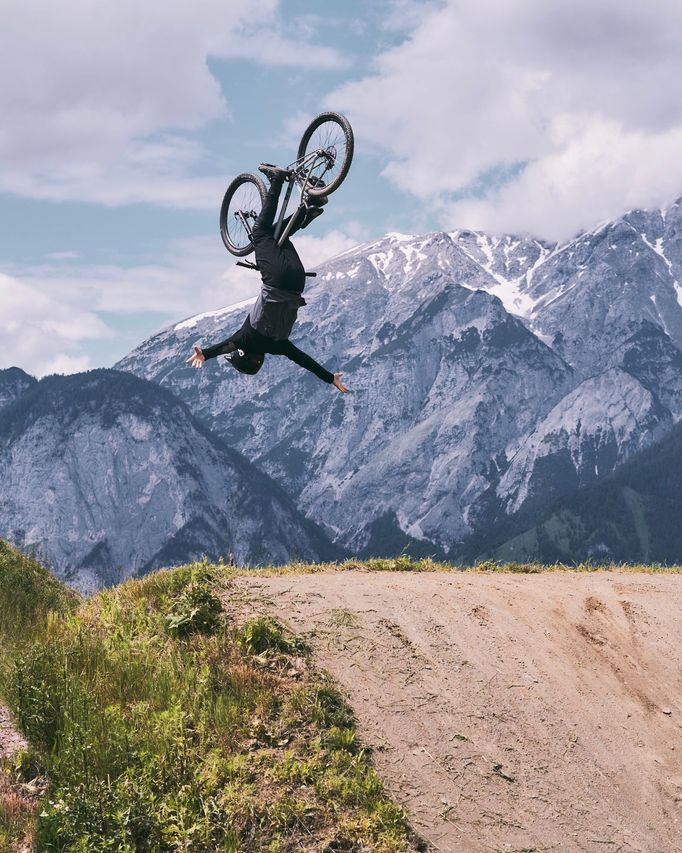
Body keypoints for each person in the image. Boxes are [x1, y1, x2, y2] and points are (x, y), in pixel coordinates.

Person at [186, 164, 348, 393]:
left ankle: (311, 206)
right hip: (276, 278)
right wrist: (205, 354)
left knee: (279, 233)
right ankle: (277, 181)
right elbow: (225, 346)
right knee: (260, 233)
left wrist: (330, 377)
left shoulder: (279, 347)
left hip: (297, 281)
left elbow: (304, 360)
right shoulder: (246, 338)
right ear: (242, 353)